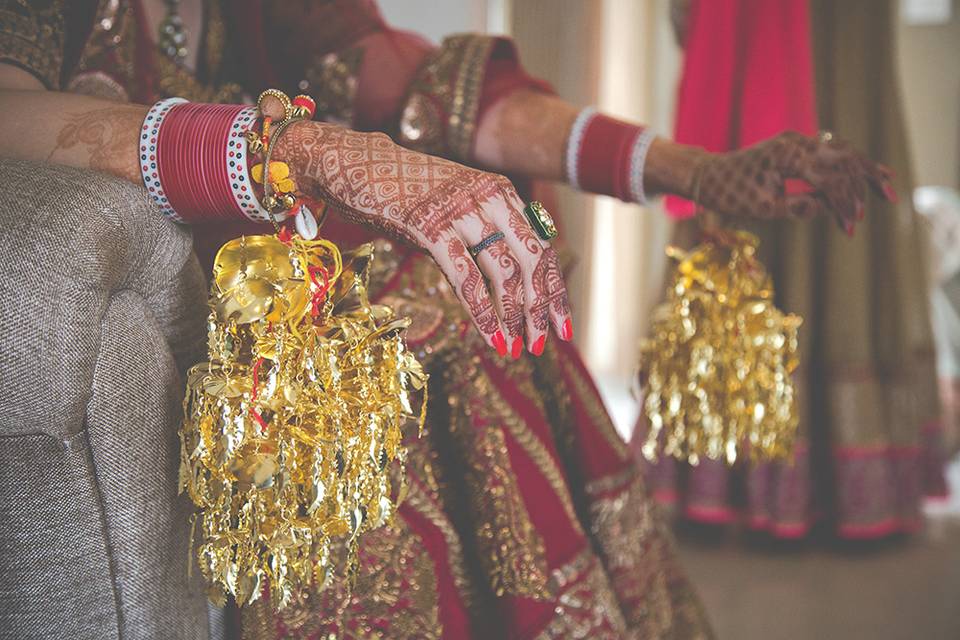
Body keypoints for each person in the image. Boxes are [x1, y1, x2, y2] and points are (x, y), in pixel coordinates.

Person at [0, 0, 894, 637]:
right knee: (386, 350)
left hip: (336, 281)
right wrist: (296, 150)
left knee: (483, 295)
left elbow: (430, 92)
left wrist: (685, 169)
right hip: (229, 307)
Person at [639, 0, 946, 542]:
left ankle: (783, 466)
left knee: (834, 173)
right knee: (741, 205)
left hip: (840, 43)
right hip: (747, 29)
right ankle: (725, 458)